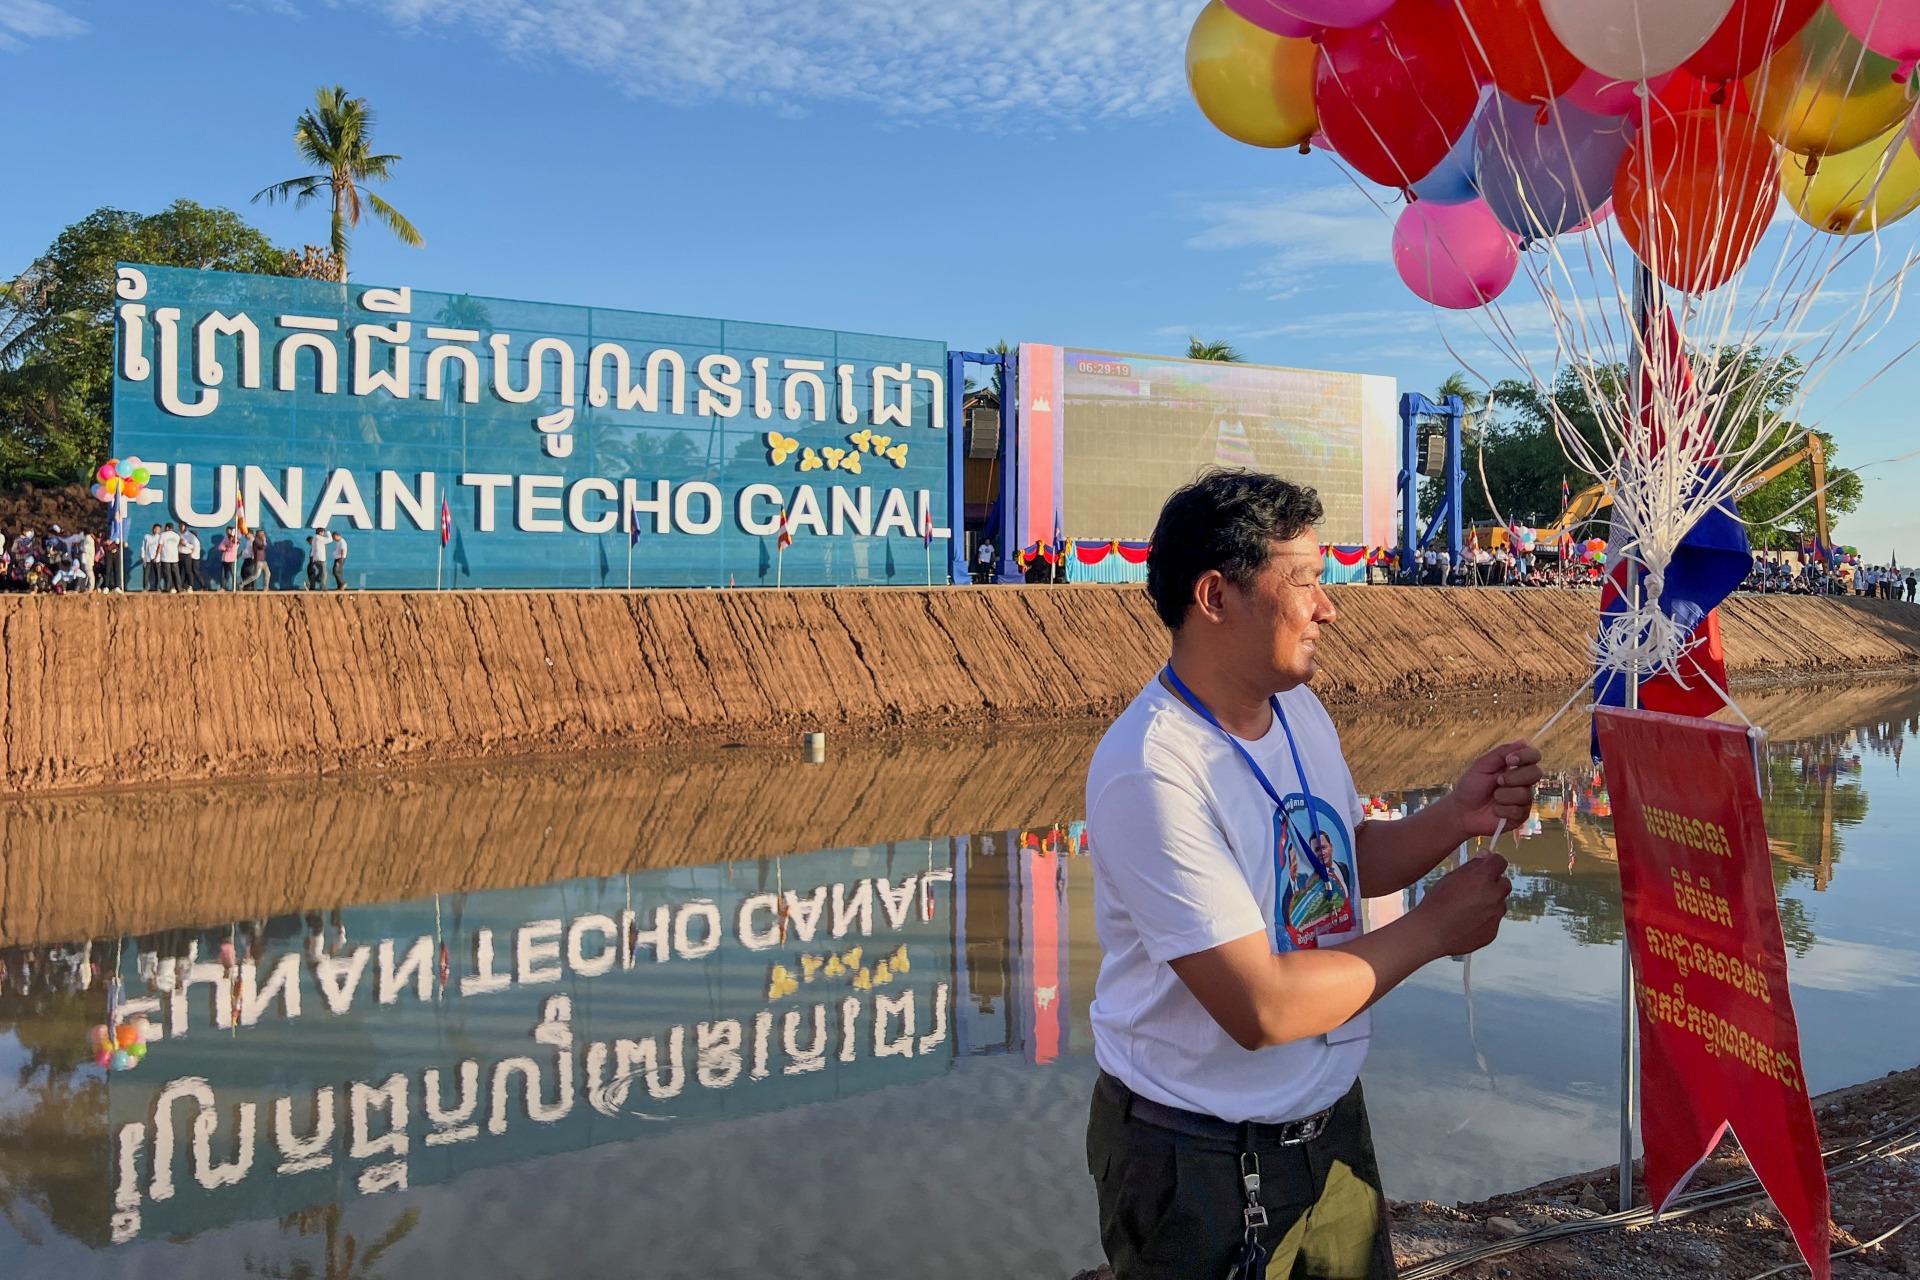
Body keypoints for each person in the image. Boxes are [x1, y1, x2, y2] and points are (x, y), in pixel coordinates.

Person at [1083, 469, 1539, 1280]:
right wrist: (1434, 929)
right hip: (1198, 1156)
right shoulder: (1153, 771)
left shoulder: (1297, 707)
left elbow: (1333, 860)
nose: (1328, 607)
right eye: (1305, 583)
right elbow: (1259, 1005)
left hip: (1327, 1125)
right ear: (1216, 596)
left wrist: (1454, 817)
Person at [156, 522, 181, 593]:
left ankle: (168, 588)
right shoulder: (177, 536)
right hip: (174, 557)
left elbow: (160, 546)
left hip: (165, 557)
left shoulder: (163, 535)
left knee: (167, 574)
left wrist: (157, 556)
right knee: (176, 573)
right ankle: (179, 588)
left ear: (167, 528)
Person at [177, 526, 201, 592]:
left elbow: (193, 547)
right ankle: (182, 586)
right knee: (180, 571)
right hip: (179, 554)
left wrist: (185, 544)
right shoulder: (178, 534)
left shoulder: (191, 537)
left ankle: (191, 585)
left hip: (187, 555)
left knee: (189, 571)